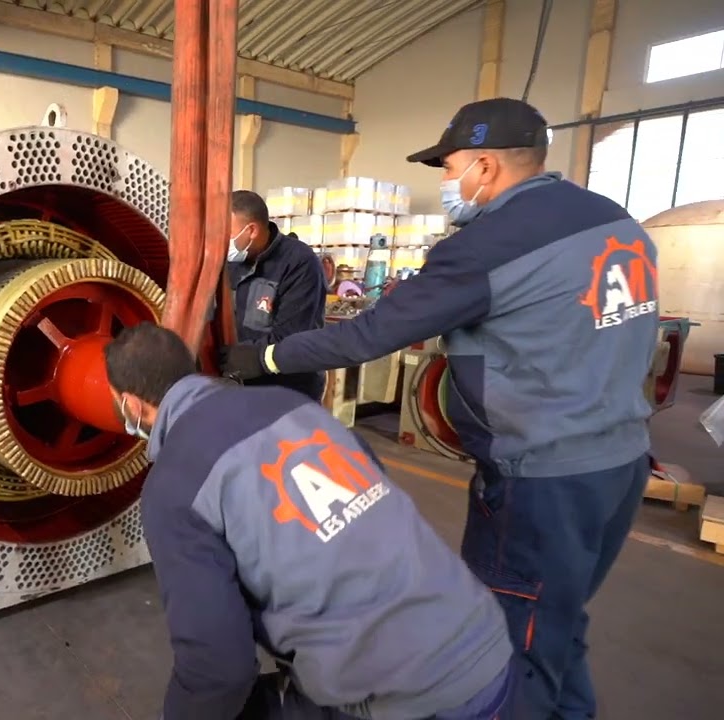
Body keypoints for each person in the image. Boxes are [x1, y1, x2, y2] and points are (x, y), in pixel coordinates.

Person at [219, 97, 659, 720]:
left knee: (508, 647)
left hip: (543, 480)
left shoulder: (489, 244)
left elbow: (367, 335)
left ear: (485, 167)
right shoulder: (615, 221)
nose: (446, 183)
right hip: (622, 464)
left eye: (448, 168)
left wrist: (263, 360)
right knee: (557, 620)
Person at [105, 321, 514, 720]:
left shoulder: (173, 483)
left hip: (406, 699)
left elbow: (217, 669)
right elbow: (374, 490)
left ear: (132, 405)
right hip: (487, 647)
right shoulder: (295, 406)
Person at [221, 190, 328, 402]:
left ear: (251, 230)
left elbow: (291, 338)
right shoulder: (231, 264)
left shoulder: (300, 264)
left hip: (289, 390)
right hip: (242, 383)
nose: (221, 240)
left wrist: (239, 357)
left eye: (226, 232)